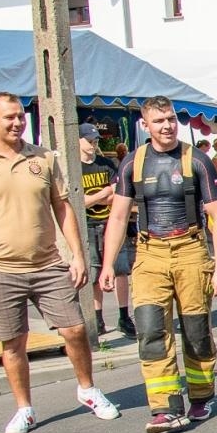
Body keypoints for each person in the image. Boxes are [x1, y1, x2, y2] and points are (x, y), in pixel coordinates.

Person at [0, 92, 119, 433]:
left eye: (20, 116)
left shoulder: (42, 157)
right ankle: (24, 408)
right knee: (13, 342)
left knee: (74, 330)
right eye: (8, 117)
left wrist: (76, 255)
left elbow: (63, 207)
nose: (16, 123)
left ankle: (87, 389)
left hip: (47, 264)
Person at [101, 96, 217, 433]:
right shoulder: (133, 163)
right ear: (146, 125)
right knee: (150, 331)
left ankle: (201, 396)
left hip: (190, 251)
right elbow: (117, 216)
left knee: (196, 332)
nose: (168, 126)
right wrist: (108, 265)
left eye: (171, 119)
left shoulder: (197, 160)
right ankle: (165, 408)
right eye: (159, 121)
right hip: (149, 254)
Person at [77, 124, 135, 339]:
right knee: (94, 272)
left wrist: (97, 197)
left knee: (120, 270)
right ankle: (98, 317)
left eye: (96, 141)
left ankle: (124, 315)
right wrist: (101, 194)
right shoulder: (75, 168)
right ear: (79, 141)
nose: (94, 145)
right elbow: (78, 201)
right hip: (88, 224)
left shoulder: (106, 164)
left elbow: (116, 195)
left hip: (110, 222)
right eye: (90, 141)